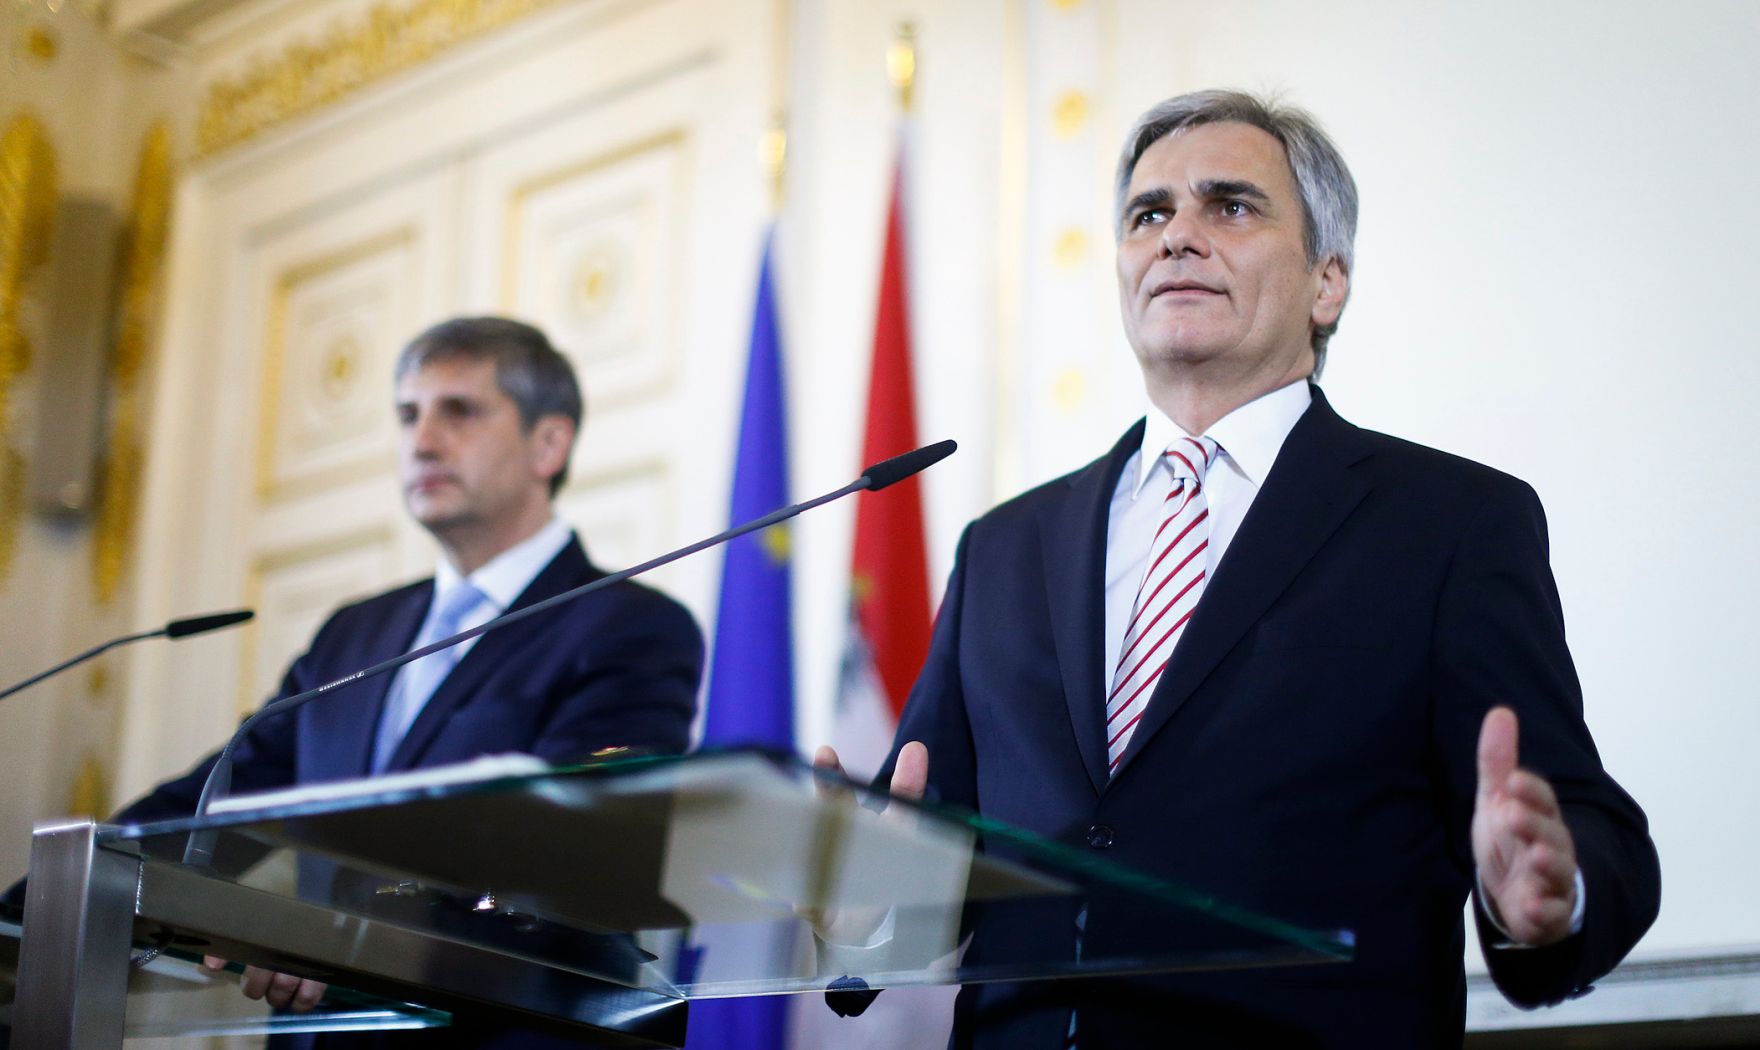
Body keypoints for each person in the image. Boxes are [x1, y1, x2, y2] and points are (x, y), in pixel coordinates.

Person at [818, 91, 1660, 1047]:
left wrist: (1548, 891)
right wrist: (866, 911)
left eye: (1229, 205)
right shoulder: (1004, 548)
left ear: (1327, 283)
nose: (1177, 235)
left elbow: (1583, 820)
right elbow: (926, 855)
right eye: (1149, 214)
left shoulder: (1450, 525)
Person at [106, 316, 704, 1034]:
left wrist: (338, 940)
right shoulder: (354, 633)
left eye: (460, 411)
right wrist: (65, 886)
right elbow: (224, 800)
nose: (422, 442)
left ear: (549, 444)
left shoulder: (631, 627)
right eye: (408, 415)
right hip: (324, 1037)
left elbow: (572, 859)